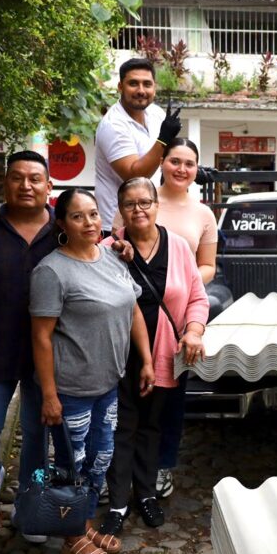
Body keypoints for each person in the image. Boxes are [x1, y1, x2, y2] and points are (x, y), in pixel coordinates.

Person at [30, 188, 154, 554]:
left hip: (108, 385)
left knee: (100, 460)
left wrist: (146, 359)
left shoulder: (112, 257)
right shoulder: (51, 271)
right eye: (78, 216)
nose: (89, 223)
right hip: (71, 390)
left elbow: (133, 309)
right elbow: (41, 336)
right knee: (72, 464)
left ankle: (82, 524)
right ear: (62, 224)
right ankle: (70, 536)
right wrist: (49, 395)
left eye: (94, 215)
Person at [101, 177, 209, 536]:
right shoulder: (107, 249)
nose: (138, 210)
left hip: (164, 352)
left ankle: (146, 494)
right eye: (130, 204)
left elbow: (197, 297)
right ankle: (118, 501)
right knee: (121, 427)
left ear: (156, 205)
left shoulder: (177, 247)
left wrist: (193, 331)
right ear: (121, 210)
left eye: (145, 202)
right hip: (119, 355)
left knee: (152, 426)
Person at [0, 151, 59, 529]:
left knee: (38, 432)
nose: (26, 185)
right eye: (17, 178)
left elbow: (95, 256)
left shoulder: (65, 229)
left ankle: (31, 500)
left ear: (49, 186)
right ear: (4, 184)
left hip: (49, 353)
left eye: (35, 178)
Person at [146, 138, 217, 498]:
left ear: (196, 169)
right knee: (130, 394)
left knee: (171, 398)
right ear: (162, 162)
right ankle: (124, 465)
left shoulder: (203, 214)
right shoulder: (143, 201)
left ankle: (162, 466)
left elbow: (207, 267)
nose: (181, 169)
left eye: (189, 163)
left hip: (179, 313)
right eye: (175, 161)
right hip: (138, 310)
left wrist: (180, 280)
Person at [94, 57, 182, 224]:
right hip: (116, 224)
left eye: (147, 84)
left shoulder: (155, 113)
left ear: (154, 88)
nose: (141, 90)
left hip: (148, 219)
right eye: (133, 83)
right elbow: (134, 176)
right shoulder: (113, 125)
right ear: (120, 87)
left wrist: (192, 170)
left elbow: (167, 157)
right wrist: (163, 140)